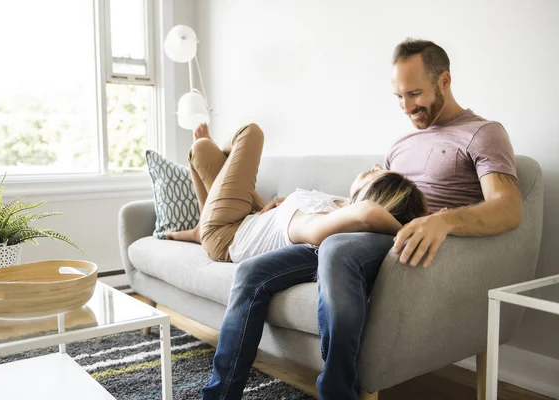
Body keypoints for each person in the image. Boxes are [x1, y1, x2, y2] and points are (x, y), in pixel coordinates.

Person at [200, 38, 523, 400]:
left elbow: (508, 207)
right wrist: (304, 202)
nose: (407, 107)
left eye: (415, 94)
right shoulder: (402, 143)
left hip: (411, 245)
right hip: (366, 234)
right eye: (399, 97)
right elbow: (375, 198)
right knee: (251, 273)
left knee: (337, 248)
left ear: (444, 81)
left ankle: (338, 392)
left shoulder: (483, 133)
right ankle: (219, 395)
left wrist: (442, 222)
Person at [167, 123, 428, 263]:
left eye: (378, 174)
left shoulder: (326, 222)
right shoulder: (338, 203)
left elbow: (367, 212)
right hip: (251, 217)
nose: (375, 166)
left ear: (376, 194)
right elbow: (363, 209)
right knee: (200, 152)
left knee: (247, 134)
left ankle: (203, 229)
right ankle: (199, 228)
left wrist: (410, 228)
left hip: (227, 233)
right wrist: (282, 204)